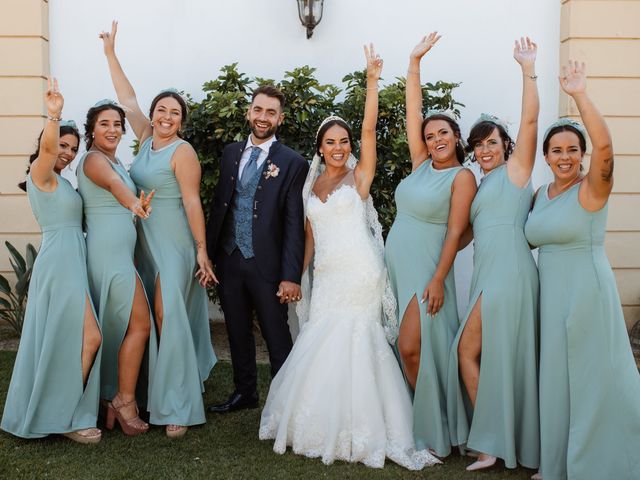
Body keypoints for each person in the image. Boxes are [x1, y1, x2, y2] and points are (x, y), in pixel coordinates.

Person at [259, 45, 439, 470]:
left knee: (357, 342)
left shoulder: (359, 178)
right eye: (330, 143)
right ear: (320, 149)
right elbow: (309, 238)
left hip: (360, 272)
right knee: (321, 340)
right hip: (327, 274)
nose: (339, 148)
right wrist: (294, 276)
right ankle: (321, 424)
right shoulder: (311, 185)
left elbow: (370, 132)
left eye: (343, 141)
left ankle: (370, 427)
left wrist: (372, 83)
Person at [100, 21, 217, 438]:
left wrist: (201, 250)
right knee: (150, 316)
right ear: (153, 115)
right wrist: (111, 53)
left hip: (175, 244)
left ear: (182, 122)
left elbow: (191, 201)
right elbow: (126, 98)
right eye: (161, 110)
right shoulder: (146, 137)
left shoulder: (183, 152)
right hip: (144, 244)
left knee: (169, 316)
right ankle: (147, 393)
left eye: (175, 113)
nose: (166, 117)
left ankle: (179, 405)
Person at [525, 60, 640, 480]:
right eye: (557, 150)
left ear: (582, 155)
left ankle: (601, 461)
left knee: (594, 377)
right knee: (556, 378)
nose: (566, 156)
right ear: (546, 156)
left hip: (587, 291)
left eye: (573, 149)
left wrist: (579, 95)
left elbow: (607, 151)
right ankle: (556, 465)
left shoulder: (592, 190)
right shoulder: (539, 195)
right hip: (551, 293)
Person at [446, 38, 541, 472]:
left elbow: (531, 119)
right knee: (487, 355)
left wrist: (527, 69)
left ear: (505, 145)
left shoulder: (516, 172)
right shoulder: (481, 185)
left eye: (492, 143)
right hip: (489, 272)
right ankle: (495, 441)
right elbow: (466, 235)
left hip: (510, 274)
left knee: (468, 349)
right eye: (478, 145)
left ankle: (490, 444)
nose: (484, 150)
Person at [384, 32, 477, 458]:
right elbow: (412, 110)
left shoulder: (461, 178)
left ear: (456, 137)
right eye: (429, 134)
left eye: (443, 132)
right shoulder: (421, 165)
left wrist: (439, 279)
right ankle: (426, 423)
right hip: (399, 269)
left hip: (427, 271)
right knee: (411, 350)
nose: (435, 138)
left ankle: (436, 431)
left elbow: (456, 233)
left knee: (410, 346)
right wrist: (414, 62)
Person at [1, 79, 102, 444]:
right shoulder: (41, 176)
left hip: (73, 261)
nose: (68, 152)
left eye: (73, 148)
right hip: (60, 264)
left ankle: (64, 412)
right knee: (89, 337)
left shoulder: (63, 182)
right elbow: (45, 149)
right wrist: (53, 116)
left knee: (83, 338)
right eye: (64, 145)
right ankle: (65, 417)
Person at [206, 82, 308, 414]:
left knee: (275, 334)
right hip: (229, 259)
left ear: (280, 118)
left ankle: (284, 401)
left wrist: (290, 275)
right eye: (259, 110)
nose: (263, 117)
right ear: (250, 111)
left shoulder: (292, 162)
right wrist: (208, 254)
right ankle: (244, 392)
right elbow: (221, 206)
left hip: (267, 263)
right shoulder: (231, 153)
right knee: (237, 330)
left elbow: (295, 221)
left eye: (271, 112)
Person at [77, 98, 154, 437]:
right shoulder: (94, 160)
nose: (112, 130)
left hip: (120, 254)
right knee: (140, 324)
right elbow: (113, 185)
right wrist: (134, 203)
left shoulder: (114, 158)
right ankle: (123, 402)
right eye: (105, 123)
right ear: (92, 129)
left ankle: (112, 400)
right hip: (109, 254)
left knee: (122, 328)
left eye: (117, 124)